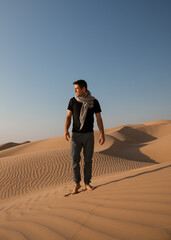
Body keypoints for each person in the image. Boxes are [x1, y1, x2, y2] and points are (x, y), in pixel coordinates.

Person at [64, 80, 105, 194]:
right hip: (75, 135)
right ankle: (77, 184)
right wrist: (66, 130)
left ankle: (87, 183)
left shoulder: (93, 101)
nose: (75, 90)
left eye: (77, 88)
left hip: (89, 135)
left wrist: (102, 133)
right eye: (74, 89)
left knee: (88, 160)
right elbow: (68, 116)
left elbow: (98, 118)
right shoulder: (72, 101)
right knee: (74, 160)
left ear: (83, 89)